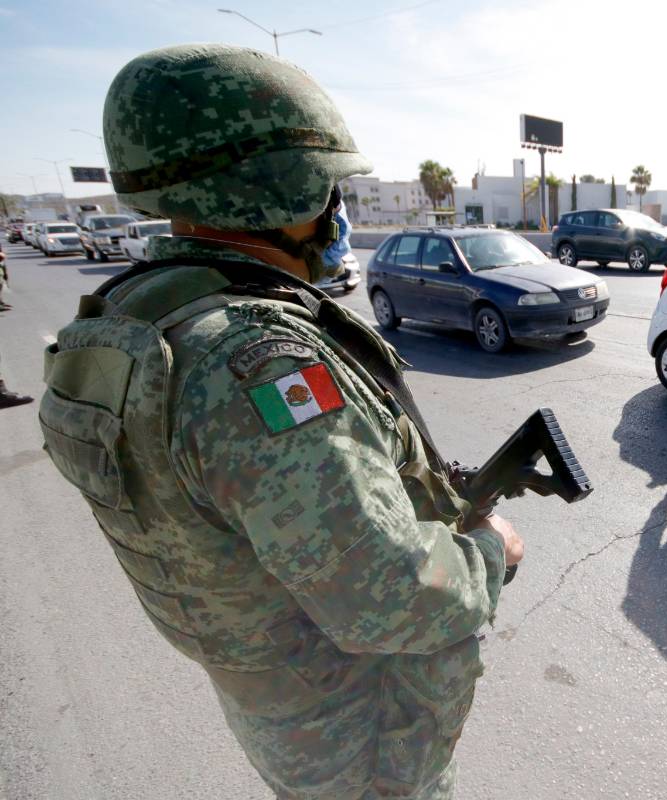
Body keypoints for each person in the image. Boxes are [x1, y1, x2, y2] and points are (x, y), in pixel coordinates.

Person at [38, 44, 522, 799]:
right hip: (356, 727)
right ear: (276, 187)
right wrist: (490, 551)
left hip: (274, 697)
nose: (336, 209)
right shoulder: (252, 360)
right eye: (327, 187)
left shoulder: (135, 314)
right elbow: (389, 595)